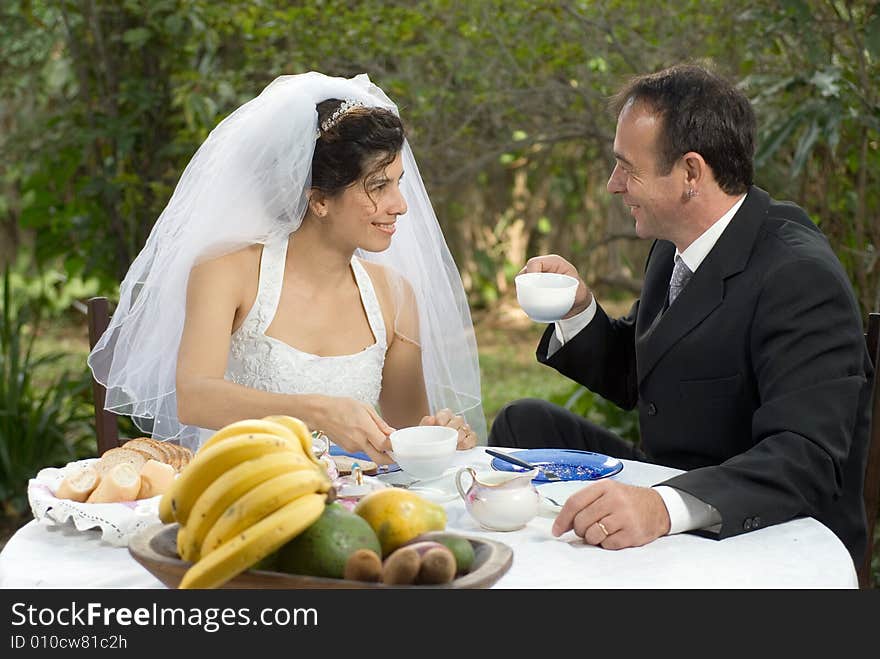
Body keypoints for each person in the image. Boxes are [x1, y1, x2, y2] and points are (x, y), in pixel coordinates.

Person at [489, 63, 872, 566]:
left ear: (691, 172)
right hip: (665, 477)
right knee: (524, 425)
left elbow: (806, 459)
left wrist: (662, 507)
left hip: (762, 530)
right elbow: (648, 371)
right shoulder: (676, 246)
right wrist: (580, 310)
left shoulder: (799, 276)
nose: (612, 184)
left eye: (628, 167)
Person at [88, 72, 486, 462]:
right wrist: (316, 413)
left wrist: (441, 436)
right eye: (379, 186)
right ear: (319, 200)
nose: (400, 204)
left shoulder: (394, 295)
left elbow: (404, 431)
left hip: (351, 503)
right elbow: (195, 397)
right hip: (241, 491)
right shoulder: (227, 271)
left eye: (398, 183)